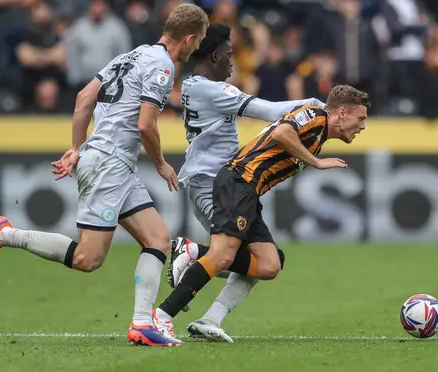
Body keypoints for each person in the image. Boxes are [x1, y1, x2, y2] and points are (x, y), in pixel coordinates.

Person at [0, 3, 209, 347]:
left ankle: (142, 324)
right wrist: (160, 163)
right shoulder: (163, 66)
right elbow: (145, 125)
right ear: (187, 39)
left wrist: (77, 147)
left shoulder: (130, 56)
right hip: (110, 164)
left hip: (111, 162)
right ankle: (4, 233)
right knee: (88, 258)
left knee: (157, 238)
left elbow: (84, 98)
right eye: (197, 41)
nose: (197, 47)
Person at [153, 84, 370, 343]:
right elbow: (281, 133)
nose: (363, 126)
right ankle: (162, 316)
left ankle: (206, 312)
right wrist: (316, 162)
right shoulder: (315, 116)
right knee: (222, 256)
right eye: (361, 118)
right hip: (238, 181)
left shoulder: (319, 134)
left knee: (269, 265)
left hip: (248, 192)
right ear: (342, 113)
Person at [155, 23, 325, 342]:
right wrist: (317, 105)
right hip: (212, 183)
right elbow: (270, 111)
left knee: (269, 263)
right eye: (230, 55)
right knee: (224, 255)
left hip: (231, 183)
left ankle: (209, 317)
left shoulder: (195, 86)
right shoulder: (210, 88)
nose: (234, 63)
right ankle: (166, 306)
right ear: (215, 55)